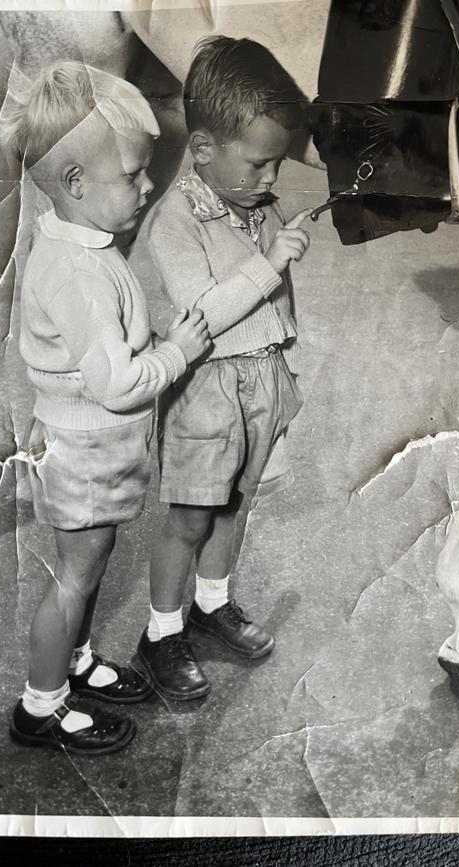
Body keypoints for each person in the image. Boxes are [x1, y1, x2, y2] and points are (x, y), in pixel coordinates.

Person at [0, 61, 211, 753]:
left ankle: (78, 661)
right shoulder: (78, 274)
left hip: (97, 449)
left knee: (88, 564)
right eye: (133, 175)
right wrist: (175, 350)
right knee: (74, 578)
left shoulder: (78, 241)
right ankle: (42, 704)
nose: (150, 185)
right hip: (87, 453)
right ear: (75, 184)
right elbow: (118, 382)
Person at [131, 36, 312, 700]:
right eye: (260, 164)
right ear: (203, 149)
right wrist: (270, 265)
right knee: (188, 517)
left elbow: (271, 301)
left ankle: (211, 604)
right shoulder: (172, 220)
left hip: (260, 379)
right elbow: (204, 310)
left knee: (232, 505)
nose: (271, 179)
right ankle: (160, 633)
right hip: (208, 387)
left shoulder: (253, 203)